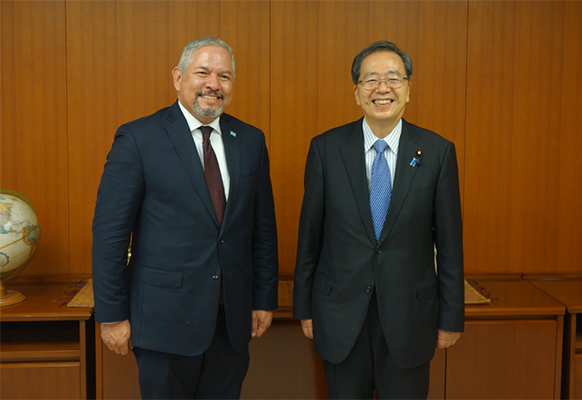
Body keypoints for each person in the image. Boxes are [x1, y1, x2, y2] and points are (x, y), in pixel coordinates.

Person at [92, 36, 279, 400]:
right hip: (163, 322)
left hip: (231, 320)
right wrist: (112, 315)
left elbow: (262, 229)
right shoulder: (138, 138)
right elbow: (111, 234)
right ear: (178, 77)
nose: (213, 84)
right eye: (203, 73)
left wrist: (263, 299)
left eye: (224, 76)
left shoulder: (250, 140)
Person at [293, 40, 464, 400]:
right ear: (356, 92)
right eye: (371, 80)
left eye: (393, 79)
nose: (382, 88)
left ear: (408, 89)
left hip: (411, 319)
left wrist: (451, 317)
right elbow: (310, 236)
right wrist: (304, 308)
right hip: (339, 316)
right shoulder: (326, 149)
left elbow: (449, 244)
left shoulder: (437, 152)